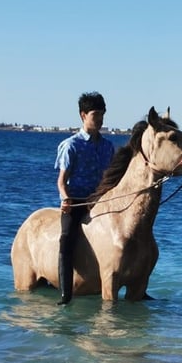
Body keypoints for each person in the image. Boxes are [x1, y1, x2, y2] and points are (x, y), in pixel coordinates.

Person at [55, 92, 115, 305]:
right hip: (78, 201)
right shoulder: (71, 145)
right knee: (66, 239)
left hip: (100, 202)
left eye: (102, 115)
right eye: (95, 114)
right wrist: (65, 199)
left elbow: (111, 178)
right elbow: (61, 181)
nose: (99, 119)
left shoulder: (108, 146)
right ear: (83, 115)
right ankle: (65, 293)